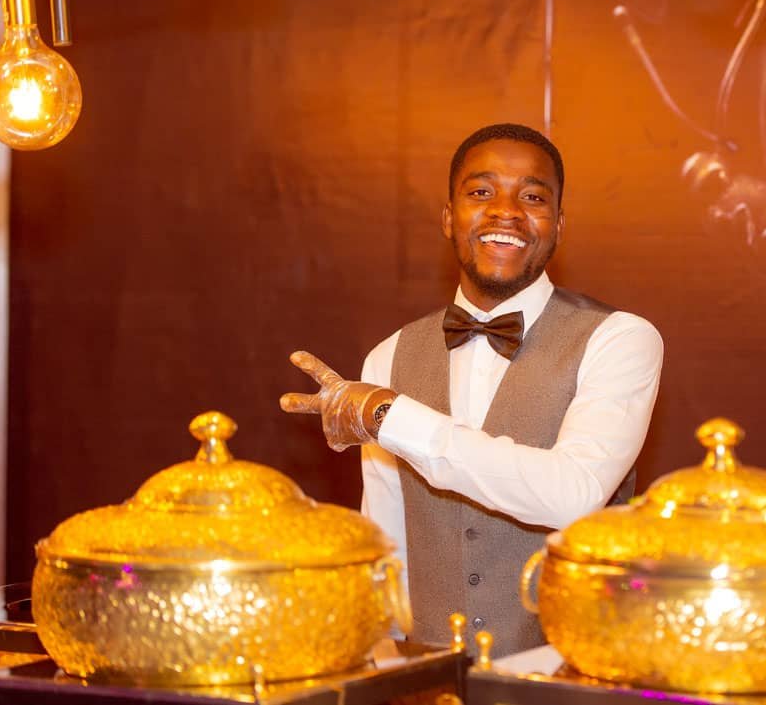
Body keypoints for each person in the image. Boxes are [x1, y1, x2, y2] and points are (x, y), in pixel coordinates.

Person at [281, 123, 663, 656]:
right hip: (431, 670)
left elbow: (573, 495)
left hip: (569, 669)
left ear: (558, 225)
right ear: (449, 217)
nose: (506, 211)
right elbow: (387, 535)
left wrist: (393, 415)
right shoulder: (388, 356)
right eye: (481, 192)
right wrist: (385, 662)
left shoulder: (620, 339)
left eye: (533, 197)